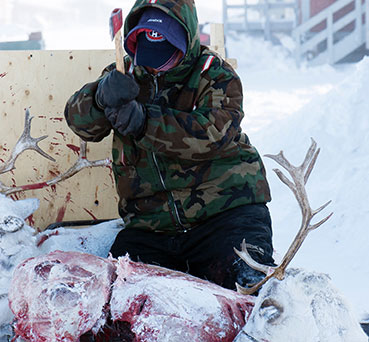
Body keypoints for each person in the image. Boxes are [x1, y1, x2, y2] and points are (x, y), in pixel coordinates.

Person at [64, 0, 274, 291]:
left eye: (166, 52)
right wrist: (99, 97)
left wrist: (144, 123)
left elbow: (211, 135)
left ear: (185, 43)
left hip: (226, 217)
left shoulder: (215, 75)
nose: (154, 62)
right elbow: (81, 125)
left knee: (252, 289)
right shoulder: (122, 73)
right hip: (151, 229)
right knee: (117, 300)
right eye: (147, 50)